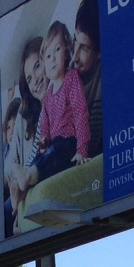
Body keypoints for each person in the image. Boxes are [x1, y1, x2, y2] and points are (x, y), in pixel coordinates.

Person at [33, 20, 88, 180]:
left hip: (70, 143)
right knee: (40, 157)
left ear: (66, 51)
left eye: (57, 49)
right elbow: (45, 126)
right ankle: (23, 181)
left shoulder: (71, 78)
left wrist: (82, 150)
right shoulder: (48, 96)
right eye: (48, 56)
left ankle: (30, 176)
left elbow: (80, 113)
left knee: (57, 148)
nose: (53, 59)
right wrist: (43, 140)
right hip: (54, 145)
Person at [2, 37, 47, 233]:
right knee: (3, 213)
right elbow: (9, 164)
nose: (35, 80)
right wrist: (16, 171)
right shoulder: (24, 115)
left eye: (37, 67)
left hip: (40, 182)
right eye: (28, 79)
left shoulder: (61, 94)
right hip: (21, 192)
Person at [74, 0, 103, 163]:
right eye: (75, 41)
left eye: (84, 48)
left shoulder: (106, 81)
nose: (75, 57)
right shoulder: (63, 76)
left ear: (99, 53)